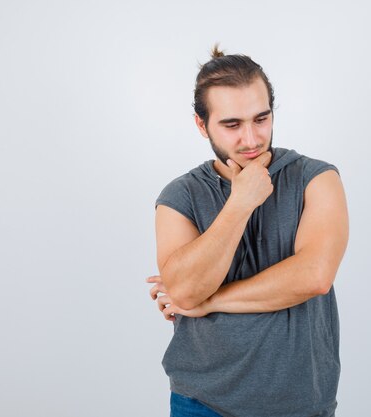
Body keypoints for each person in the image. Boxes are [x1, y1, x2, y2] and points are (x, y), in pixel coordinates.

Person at [146, 45, 349, 417]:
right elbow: (186, 289)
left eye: (261, 119)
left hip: (302, 403)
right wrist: (240, 203)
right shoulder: (179, 196)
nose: (252, 139)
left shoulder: (316, 178)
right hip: (202, 403)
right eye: (232, 124)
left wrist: (209, 302)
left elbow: (314, 276)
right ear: (201, 124)